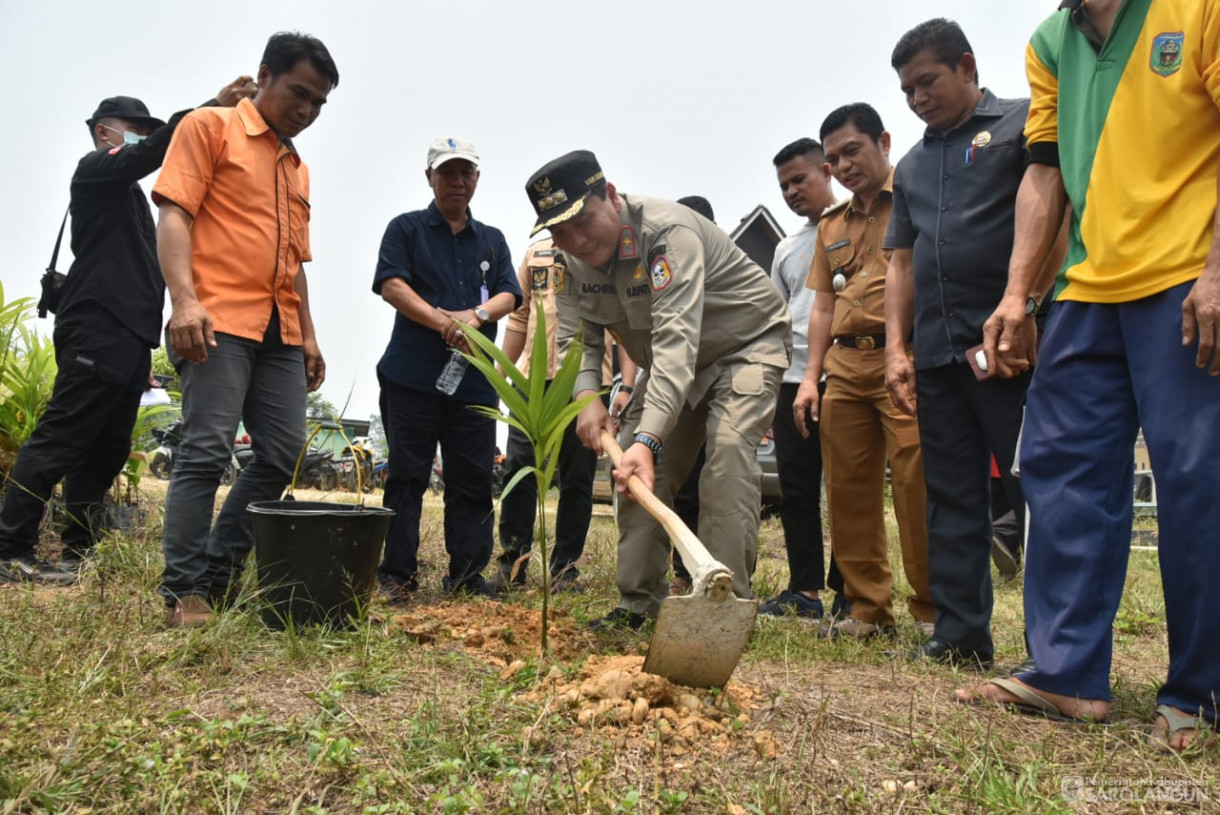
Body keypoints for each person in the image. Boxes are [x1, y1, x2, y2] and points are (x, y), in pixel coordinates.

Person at [956, 0, 1220, 751]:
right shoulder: (1050, 42)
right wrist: (1016, 292)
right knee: (1058, 467)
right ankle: (1067, 674)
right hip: (1087, 287)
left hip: (1187, 278)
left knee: (1198, 477)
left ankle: (1202, 689)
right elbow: (1045, 173)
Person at [0, 81, 254, 586]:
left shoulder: (134, 199)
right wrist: (210, 108)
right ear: (104, 131)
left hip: (131, 338)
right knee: (61, 439)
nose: (144, 139)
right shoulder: (96, 172)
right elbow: (152, 155)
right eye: (137, 131)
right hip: (97, 327)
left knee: (106, 448)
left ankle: (80, 552)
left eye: (146, 132)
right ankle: (10, 549)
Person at [526, 149, 791, 630]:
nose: (577, 240)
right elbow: (577, 341)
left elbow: (675, 344)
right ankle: (638, 603)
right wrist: (587, 398)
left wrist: (650, 439)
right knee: (632, 466)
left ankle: (722, 610)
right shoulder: (567, 263)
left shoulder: (668, 235)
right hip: (674, 364)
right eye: (561, 232)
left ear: (610, 195)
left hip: (745, 346)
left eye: (584, 221)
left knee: (727, 454)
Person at [153, 32, 339, 628]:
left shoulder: (297, 167)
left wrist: (307, 334)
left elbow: (294, 262)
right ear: (265, 75)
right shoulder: (210, 128)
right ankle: (182, 591)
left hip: (279, 331)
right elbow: (175, 213)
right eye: (299, 93)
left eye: (318, 104)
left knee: (283, 452)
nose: (306, 111)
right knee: (206, 450)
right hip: (216, 318)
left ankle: (218, 571)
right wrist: (184, 301)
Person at [883, 19, 1048, 670]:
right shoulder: (913, 166)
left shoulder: (1020, 127)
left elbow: (1054, 208)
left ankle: (1055, 648)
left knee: (1036, 488)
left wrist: (1029, 304)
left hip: (1010, 345)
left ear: (967, 66)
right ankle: (958, 636)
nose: (919, 98)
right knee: (950, 493)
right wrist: (898, 348)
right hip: (937, 355)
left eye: (927, 82)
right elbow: (901, 261)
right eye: (907, 91)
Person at [793, 104, 934, 640]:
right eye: (832, 159)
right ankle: (867, 611)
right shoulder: (831, 225)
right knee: (848, 491)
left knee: (917, 488)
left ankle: (931, 612)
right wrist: (811, 378)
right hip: (844, 369)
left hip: (908, 360)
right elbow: (823, 306)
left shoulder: (919, 193)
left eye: (852, 150)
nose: (843, 166)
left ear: (884, 142)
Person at [373, 137, 521, 599]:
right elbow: (391, 285)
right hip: (411, 377)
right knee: (406, 477)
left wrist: (476, 318)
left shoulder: (492, 240)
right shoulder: (407, 229)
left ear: (476, 179)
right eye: (448, 173)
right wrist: (442, 321)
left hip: (474, 382)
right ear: (430, 177)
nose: (458, 182)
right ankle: (397, 575)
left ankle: (468, 575)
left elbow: (509, 294)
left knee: (474, 479)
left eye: (467, 173)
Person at [760, 138, 846, 620]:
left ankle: (849, 587)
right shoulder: (787, 247)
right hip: (793, 380)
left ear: (827, 171)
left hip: (845, 374)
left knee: (847, 489)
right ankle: (805, 589)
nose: (792, 191)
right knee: (797, 487)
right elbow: (778, 317)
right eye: (784, 185)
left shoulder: (860, 225)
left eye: (800, 179)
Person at [490, 237, 606, 594]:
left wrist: (625, 383)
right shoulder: (536, 252)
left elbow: (618, 323)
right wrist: (499, 379)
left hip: (583, 381)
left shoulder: (601, 250)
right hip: (532, 379)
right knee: (520, 469)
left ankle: (565, 571)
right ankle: (512, 566)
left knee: (577, 477)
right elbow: (520, 318)